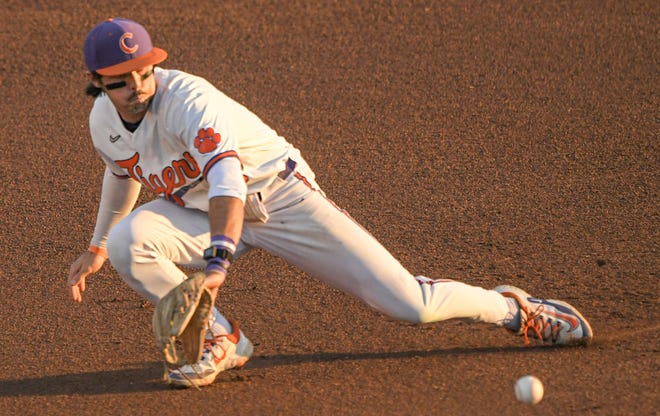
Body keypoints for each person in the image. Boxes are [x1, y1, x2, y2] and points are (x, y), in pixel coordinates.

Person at [68, 17, 593, 388]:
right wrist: (95, 246)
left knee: (411, 305)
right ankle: (222, 340)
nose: (138, 86)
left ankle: (512, 308)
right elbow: (122, 173)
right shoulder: (103, 123)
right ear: (98, 83)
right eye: (122, 80)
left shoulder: (190, 101)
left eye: (145, 71)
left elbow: (227, 179)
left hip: (278, 198)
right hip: (200, 212)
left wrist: (218, 260)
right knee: (126, 242)